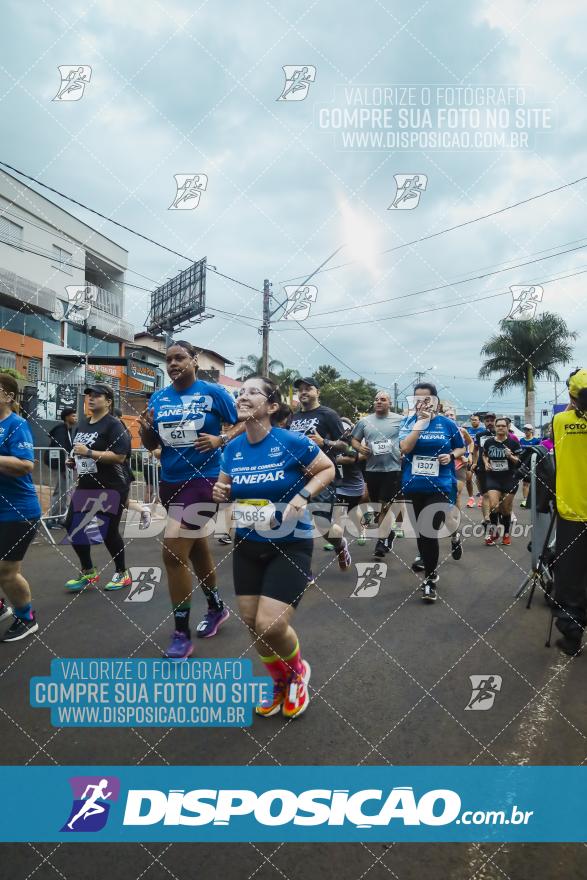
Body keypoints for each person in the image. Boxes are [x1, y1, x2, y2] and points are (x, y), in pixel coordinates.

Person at [213, 376, 335, 718]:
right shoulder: (233, 448)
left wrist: (302, 496)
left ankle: (298, 672)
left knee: (271, 624)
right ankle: (279, 680)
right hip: (248, 543)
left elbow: (327, 468)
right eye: (241, 392)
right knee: (252, 622)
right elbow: (224, 487)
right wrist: (220, 492)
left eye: (253, 392)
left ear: (272, 406)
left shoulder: (291, 442)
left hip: (290, 543)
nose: (243, 396)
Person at [139, 340, 242, 659]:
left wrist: (220, 439)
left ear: (194, 361)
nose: (172, 364)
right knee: (196, 549)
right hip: (170, 481)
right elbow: (152, 442)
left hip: (206, 480)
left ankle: (181, 633)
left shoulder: (213, 393)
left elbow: (244, 421)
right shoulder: (159, 397)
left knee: (172, 554)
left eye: (179, 358)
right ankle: (216, 607)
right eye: (168, 360)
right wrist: (144, 430)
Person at [399, 383, 465, 602]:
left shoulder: (447, 424)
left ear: (435, 401)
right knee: (420, 532)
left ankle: (430, 578)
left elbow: (461, 447)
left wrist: (452, 455)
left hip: (441, 484)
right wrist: (420, 423)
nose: (421, 403)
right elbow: (405, 448)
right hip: (413, 484)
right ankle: (429, 566)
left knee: (428, 530)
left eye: (426, 399)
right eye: (417, 399)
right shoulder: (408, 422)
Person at [63, 384, 132, 592]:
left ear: (108, 401)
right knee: (72, 526)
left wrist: (90, 452)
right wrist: (74, 460)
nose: (91, 399)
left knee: (108, 532)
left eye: (96, 396)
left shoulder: (114, 425)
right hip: (86, 485)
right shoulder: (83, 424)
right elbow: (81, 452)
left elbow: (120, 456)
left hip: (111, 486)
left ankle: (122, 573)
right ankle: (88, 571)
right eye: (88, 396)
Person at [289, 377, 351, 570]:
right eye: (300, 389)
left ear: (318, 392)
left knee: (321, 522)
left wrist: (324, 442)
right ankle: (301, 571)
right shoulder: (293, 418)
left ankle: (340, 544)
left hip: (322, 475)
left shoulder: (329, 414)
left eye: (308, 388)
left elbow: (346, 446)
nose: (304, 392)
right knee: (293, 521)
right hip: (296, 476)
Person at [0, 373, 41, 642]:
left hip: (18, 512)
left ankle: (26, 618)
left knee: (6, 570)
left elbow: (26, 465)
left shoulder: (17, 425)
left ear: (8, 396)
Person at [551, 368, 587, 655]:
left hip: (572, 512)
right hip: (571, 512)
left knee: (570, 577)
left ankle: (572, 634)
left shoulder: (561, 421)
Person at [351, 390, 403, 559]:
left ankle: (381, 540)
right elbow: (354, 440)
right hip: (372, 469)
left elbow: (408, 438)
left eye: (383, 399)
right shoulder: (364, 421)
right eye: (376, 399)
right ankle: (388, 534)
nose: (379, 402)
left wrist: (403, 450)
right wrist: (360, 448)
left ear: (389, 403)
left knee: (385, 504)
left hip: (393, 468)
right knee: (377, 506)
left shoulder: (400, 420)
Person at [482, 417, 521, 546]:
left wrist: (510, 456)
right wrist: (486, 463)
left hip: (509, 478)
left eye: (503, 426)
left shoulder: (513, 443)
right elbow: (484, 454)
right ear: (495, 427)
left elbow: (519, 462)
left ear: (507, 427)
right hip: (493, 477)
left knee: (505, 510)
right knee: (493, 505)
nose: (500, 428)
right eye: (498, 426)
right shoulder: (489, 442)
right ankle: (494, 532)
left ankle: (506, 534)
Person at [113, 408, 152, 530]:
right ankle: (143, 510)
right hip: (109, 471)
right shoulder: (110, 428)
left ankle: (143, 510)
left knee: (119, 499)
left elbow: (121, 454)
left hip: (118, 471)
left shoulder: (119, 430)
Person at [45, 406, 77, 529]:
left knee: (63, 491)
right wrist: (64, 467)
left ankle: (60, 518)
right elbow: (60, 449)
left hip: (64, 466)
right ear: (67, 417)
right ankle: (52, 520)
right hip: (59, 465)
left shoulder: (68, 430)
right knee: (59, 491)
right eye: (73, 415)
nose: (75, 418)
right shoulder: (60, 429)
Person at [472, 412, 497, 528]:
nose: (490, 423)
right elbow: (475, 450)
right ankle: (486, 518)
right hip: (482, 468)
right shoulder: (480, 435)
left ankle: (502, 514)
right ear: (484, 422)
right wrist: (474, 463)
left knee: (497, 496)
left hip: (499, 469)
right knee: (485, 494)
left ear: (495, 421)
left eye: (492, 420)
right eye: (487, 421)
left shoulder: (501, 433)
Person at [462, 413, 483, 507]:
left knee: (479, 478)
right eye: (472, 420)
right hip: (469, 457)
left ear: (479, 421)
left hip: (480, 458)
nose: (474, 421)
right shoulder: (467, 431)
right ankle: (471, 498)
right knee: (469, 479)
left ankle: (482, 496)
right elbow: (464, 444)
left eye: (475, 420)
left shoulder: (483, 431)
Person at [519, 424, 540, 507]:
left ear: (531, 430)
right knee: (525, 483)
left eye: (528, 429)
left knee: (534, 483)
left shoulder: (536, 441)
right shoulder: (521, 440)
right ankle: (525, 500)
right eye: (525, 429)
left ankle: (535, 499)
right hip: (525, 464)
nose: (526, 431)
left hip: (534, 463)